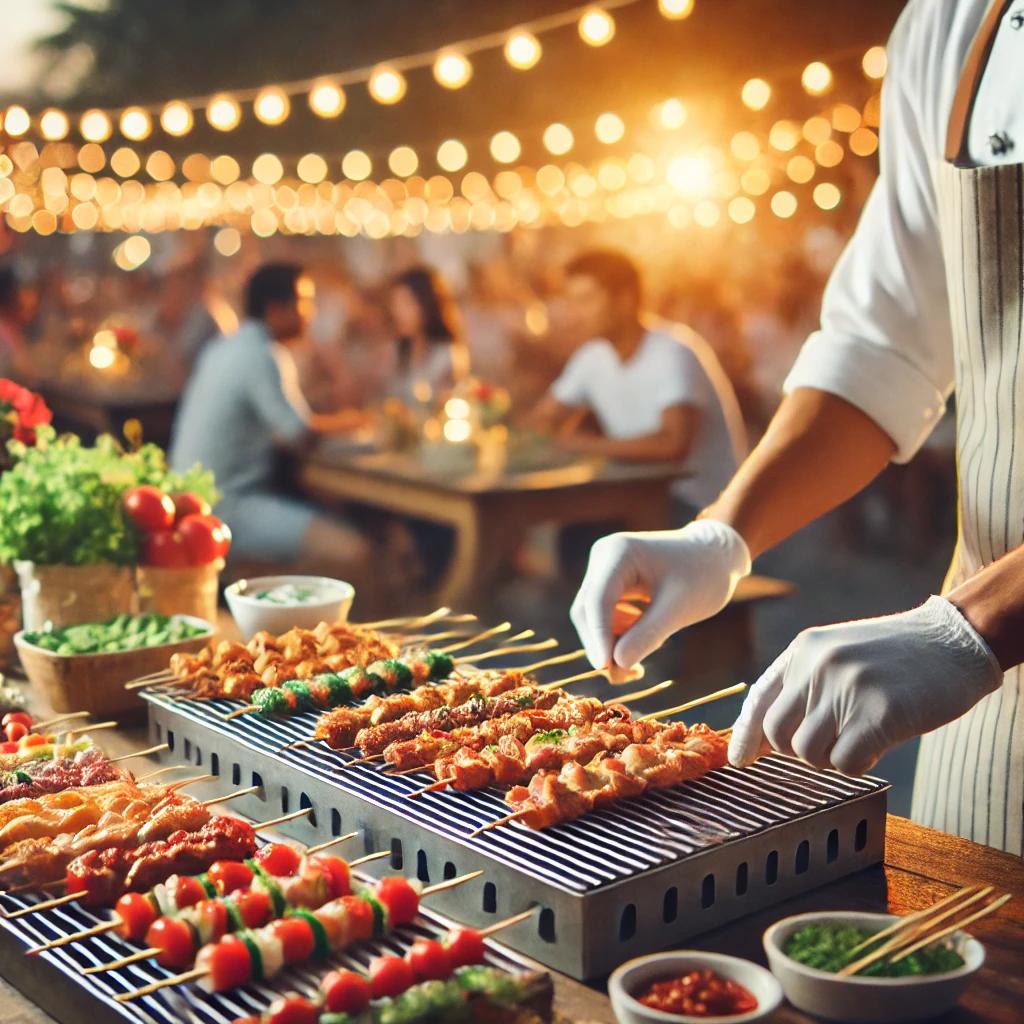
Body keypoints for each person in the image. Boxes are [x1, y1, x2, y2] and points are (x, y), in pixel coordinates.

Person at [570, 0, 1024, 854]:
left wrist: (978, 624)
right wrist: (721, 537)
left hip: (974, 635)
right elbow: (880, 348)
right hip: (986, 702)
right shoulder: (948, 26)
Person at [169, 263, 370, 577]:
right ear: (276, 311)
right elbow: (300, 433)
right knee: (354, 550)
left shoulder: (223, 347)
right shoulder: (262, 354)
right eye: (304, 303)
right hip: (227, 508)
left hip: (191, 502)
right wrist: (359, 422)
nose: (312, 313)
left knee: (331, 516)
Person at [530, 249, 746, 516]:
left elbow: (672, 444)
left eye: (586, 300)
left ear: (625, 301)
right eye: (571, 301)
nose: (575, 314)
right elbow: (541, 422)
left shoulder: (673, 350)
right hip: (634, 494)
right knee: (571, 529)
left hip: (697, 505)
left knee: (589, 533)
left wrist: (579, 443)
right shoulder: (591, 357)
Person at [386, 266, 469, 405]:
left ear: (426, 305)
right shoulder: (397, 353)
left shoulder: (447, 356)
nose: (398, 312)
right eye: (396, 304)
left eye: (407, 303)